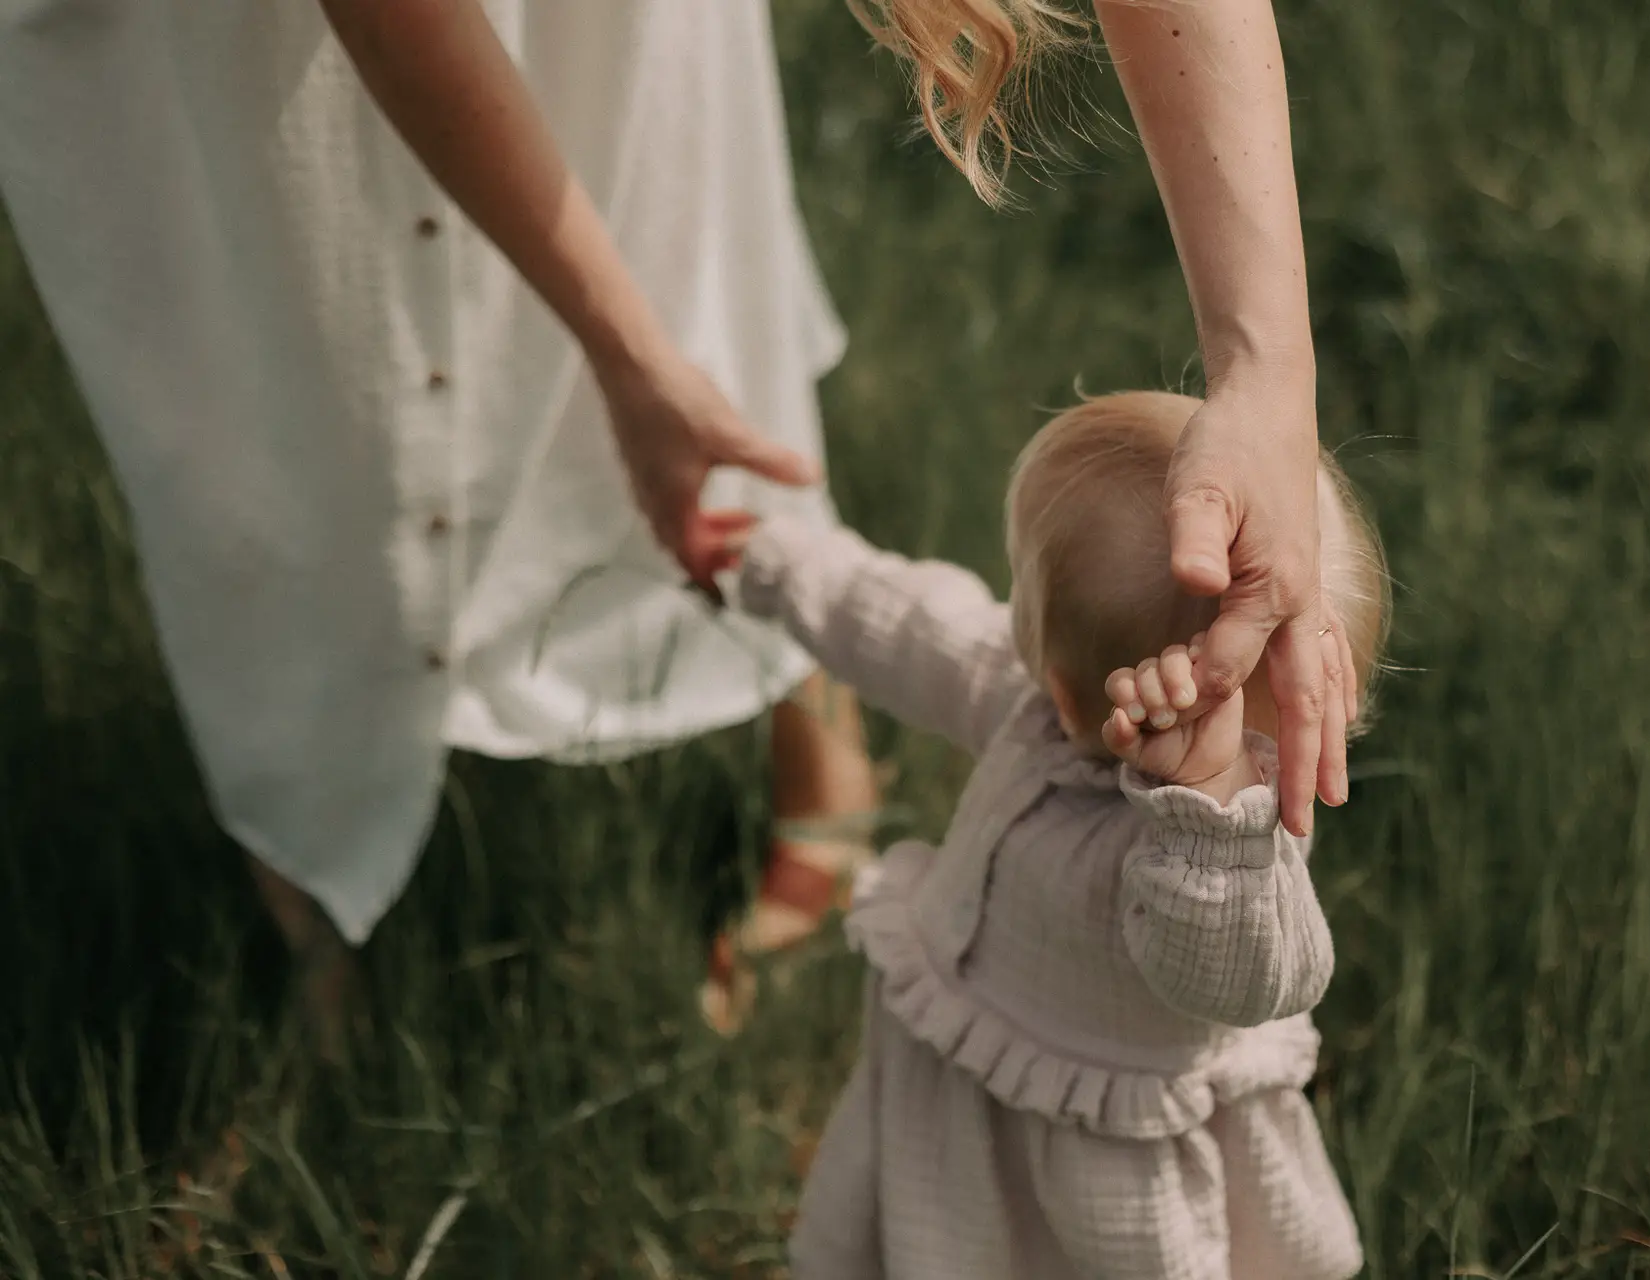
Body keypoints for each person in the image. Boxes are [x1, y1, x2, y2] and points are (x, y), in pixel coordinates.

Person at [0, 0, 1355, 1046]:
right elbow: (886, 608)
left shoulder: (1200, 859)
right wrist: (741, 528)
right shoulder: (1006, 684)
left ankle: (809, 749)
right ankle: (314, 890)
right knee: (282, 399)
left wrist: (1266, 374)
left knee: (679, 260)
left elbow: (1259, 979)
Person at [718, 391, 1389, 1278]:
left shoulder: (1237, 846)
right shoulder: (1030, 711)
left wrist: (1213, 800)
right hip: (968, 1118)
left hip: (1110, 1180)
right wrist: (774, 560)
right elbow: (909, 626)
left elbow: (1248, 979)